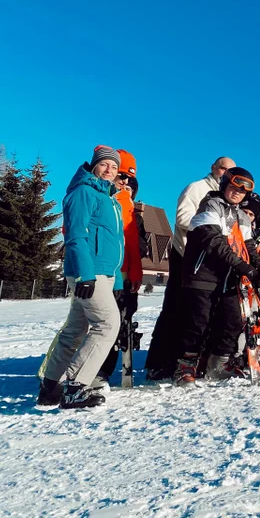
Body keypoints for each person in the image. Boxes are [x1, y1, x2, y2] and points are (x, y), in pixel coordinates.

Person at [38, 146, 125, 408]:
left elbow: (115, 244)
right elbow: (76, 235)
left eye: (114, 167)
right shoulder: (84, 192)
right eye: (104, 165)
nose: (109, 171)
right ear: (93, 166)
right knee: (108, 325)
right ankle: (75, 386)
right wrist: (86, 275)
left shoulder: (109, 198)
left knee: (76, 329)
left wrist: (117, 282)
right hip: (89, 272)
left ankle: (50, 387)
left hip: (104, 273)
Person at [173, 167, 260, 385]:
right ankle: (185, 366)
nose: (238, 192)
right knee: (198, 323)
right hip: (202, 274)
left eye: (243, 190)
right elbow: (214, 243)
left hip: (228, 277)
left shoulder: (242, 216)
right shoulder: (210, 206)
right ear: (224, 184)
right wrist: (244, 267)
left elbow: (249, 247)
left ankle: (218, 364)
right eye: (234, 186)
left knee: (234, 319)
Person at [146, 156, 235, 380]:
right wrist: (212, 229)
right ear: (213, 168)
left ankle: (191, 360)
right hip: (186, 255)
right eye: (222, 168)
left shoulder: (227, 196)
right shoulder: (197, 188)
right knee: (174, 308)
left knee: (198, 314)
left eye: (230, 171)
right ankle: (159, 362)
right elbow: (183, 218)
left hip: (210, 261)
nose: (225, 173)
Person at [95, 149, 144, 389]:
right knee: (100, 325)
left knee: (121, 324)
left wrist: (136, 273)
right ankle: (91, 371)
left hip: (124, 275)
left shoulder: (132, 209)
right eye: (121, 176)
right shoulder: (101, 199)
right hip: (103, 273)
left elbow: (135, 245)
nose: (124, 182)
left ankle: (105, 370)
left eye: (129, 179)